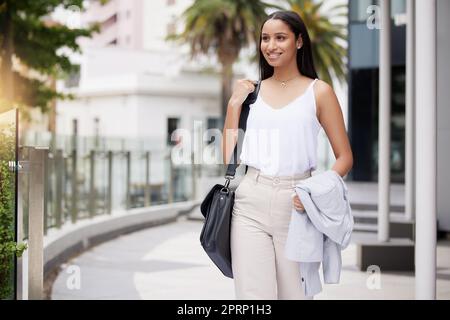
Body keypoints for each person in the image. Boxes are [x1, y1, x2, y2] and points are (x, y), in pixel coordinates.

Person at [221, 10, 353, 300]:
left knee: (295, 294)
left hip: (297, 205)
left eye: (280, 38)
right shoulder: (251, 93)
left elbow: (344, 157)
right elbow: (228, 153)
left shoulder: (319, 92)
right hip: (249, 202)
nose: (271, 45)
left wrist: (313, 191)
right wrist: (234, 104)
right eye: (265, 39)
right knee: (252, 296)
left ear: (299, 42)